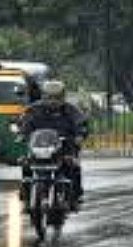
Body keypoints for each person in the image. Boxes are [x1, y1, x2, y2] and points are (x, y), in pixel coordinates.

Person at [18, 80, 88, 212]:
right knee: (26, 164)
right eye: (49, 97)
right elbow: (24, 122)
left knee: (73, 166)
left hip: (64, 148)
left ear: (63, 97)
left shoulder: (71, 111)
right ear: (43, 96)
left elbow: (81, 123)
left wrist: (79, 135)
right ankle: (26, 197)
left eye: (56, 97)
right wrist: (22, 133)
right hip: (39, 148)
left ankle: (75, 197)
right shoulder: (33, 110)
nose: (52, 101)